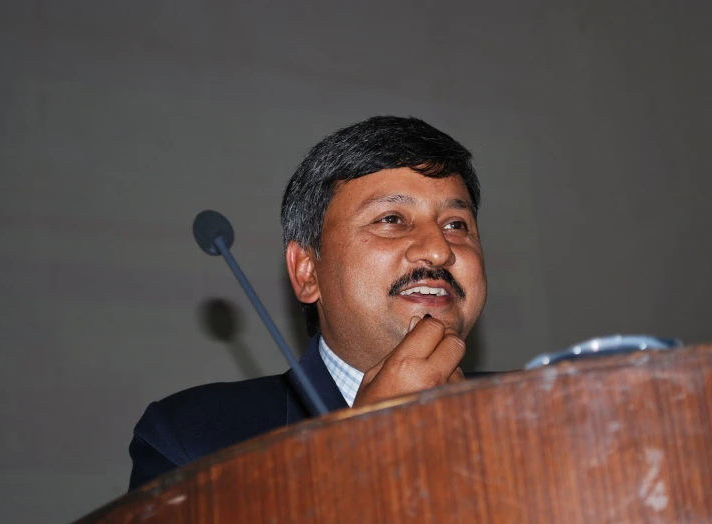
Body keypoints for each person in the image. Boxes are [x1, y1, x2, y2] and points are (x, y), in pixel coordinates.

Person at [127, 115, 488, 491]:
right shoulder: (191, 440)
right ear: (306, 272)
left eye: (456, 225)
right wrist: (356, 455)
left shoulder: (545, 412)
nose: (438, 249)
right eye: (392, 219)